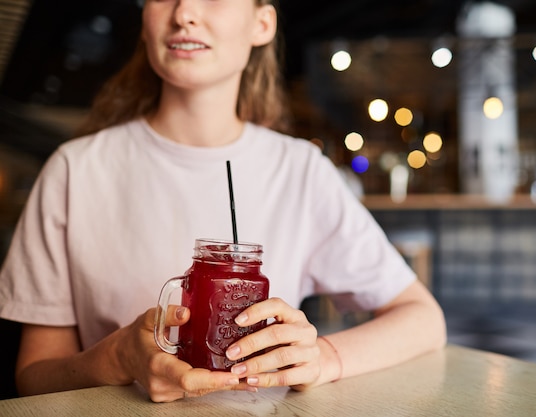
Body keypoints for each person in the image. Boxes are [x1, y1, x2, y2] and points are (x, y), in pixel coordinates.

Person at [0, 0, 446, 403]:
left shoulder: (300, 170)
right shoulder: (74, 170)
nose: (183, 12)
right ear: (144, 20)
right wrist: (114, 358)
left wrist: (322, 358)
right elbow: (33, 377)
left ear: (262, 23)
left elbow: (423, 319)